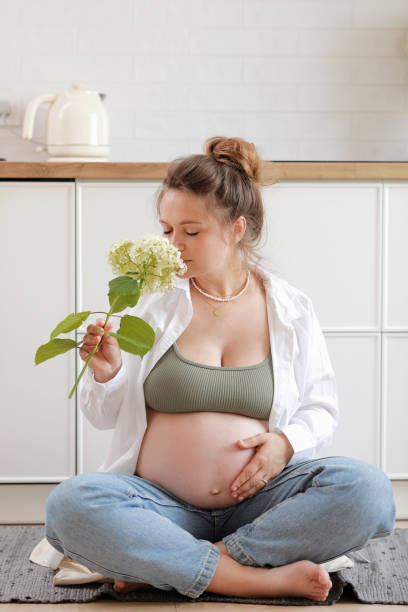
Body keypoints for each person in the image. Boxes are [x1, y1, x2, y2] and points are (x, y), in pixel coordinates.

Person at [45, 136, 396, 602]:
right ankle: (250, 578)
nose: (174, 245)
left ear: (237, 229)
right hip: (157, 506)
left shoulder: (289, 308)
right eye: (167, 230)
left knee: (368, 491)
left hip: (263, 508)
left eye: (192, 232)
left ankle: (177, 564)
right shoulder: (150, 306)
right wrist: (107, 373)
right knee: (70, 505)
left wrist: (285, 444)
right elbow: (105, 416)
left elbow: (320, 408)